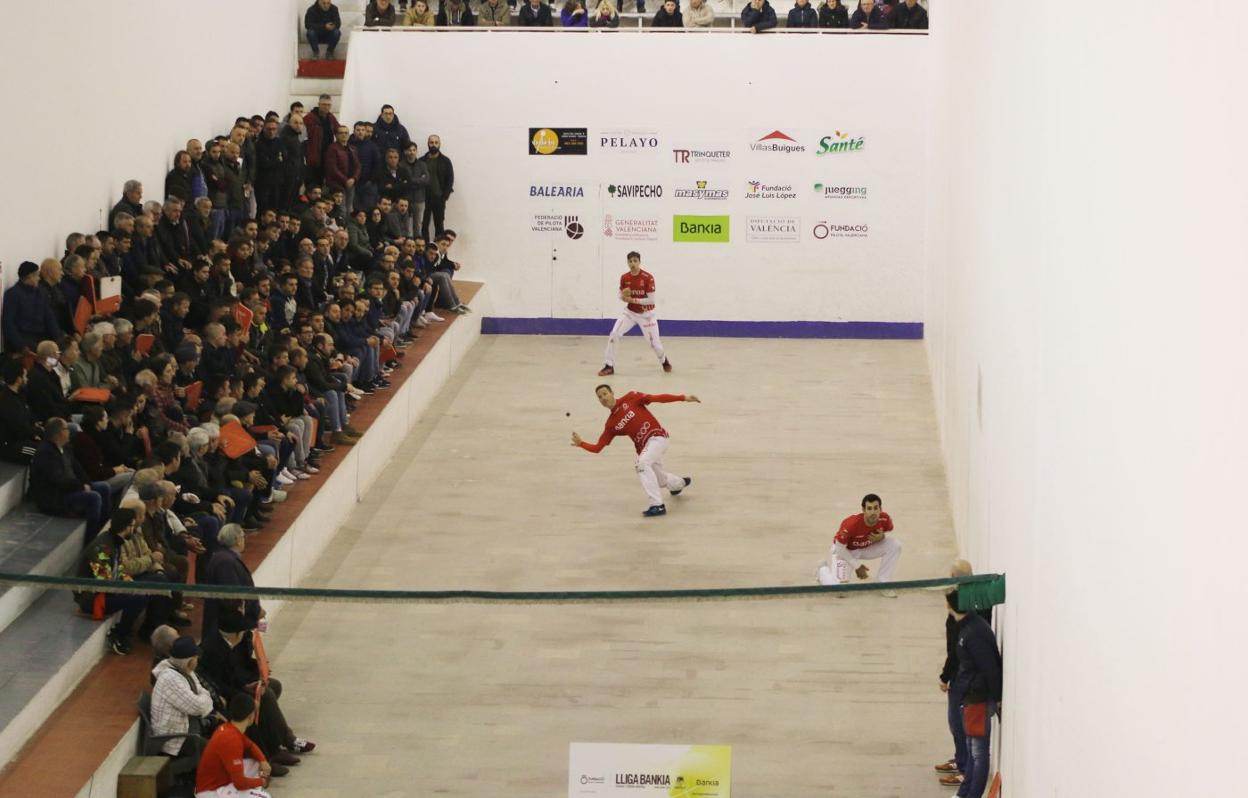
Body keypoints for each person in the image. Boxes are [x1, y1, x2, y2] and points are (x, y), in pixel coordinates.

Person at [571, 384, 699, 517]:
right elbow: (598, 447)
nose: (603, 398)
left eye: (605, 393)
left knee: (641, 464)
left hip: (657, 437)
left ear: (612, 393)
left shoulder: (630, 397)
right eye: (599, 397)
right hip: (646, 448)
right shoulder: (611, 424)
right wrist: (581, 443)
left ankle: (657, 506)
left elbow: (656, 398)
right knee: (660, 480)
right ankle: (679, 484)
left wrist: (683, 397)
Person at [937, 561, 994, 789]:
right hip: (969, 677)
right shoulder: (979, 603)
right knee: (961, 726)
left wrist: (944, 676)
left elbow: (955, 650)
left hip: (965, 680)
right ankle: (962, 762)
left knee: (959, 724)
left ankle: (964, 770)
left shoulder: (959, 611)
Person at [947, 589, 1002, 798]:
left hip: (976, 698)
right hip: (971, 697)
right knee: (972, 751)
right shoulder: (969, 628)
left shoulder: (973, 632)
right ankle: (965, 793)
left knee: (977, 753)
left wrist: (995, 698)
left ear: (949, 606)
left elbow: (989, 667)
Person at [30, 417, 113, 545]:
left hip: (72, 488)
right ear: (59, 433)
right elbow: (58, 480)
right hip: (56, 496)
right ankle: (91, 539)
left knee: (104, 487)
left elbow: (78, 469)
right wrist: (81, 487)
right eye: (66, 429)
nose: (69, 432)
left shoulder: (66, 448)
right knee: (94, 497)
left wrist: (86, 483)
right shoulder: (45, 453)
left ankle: (105, 528)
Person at [597, 251, 671, 377]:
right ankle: (609, 366)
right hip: (630, 313)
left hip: (647, 315)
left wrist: (633, 299)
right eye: (630, 261)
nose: (633, 263)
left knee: (654, 344)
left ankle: (663, 360)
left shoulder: (648, 277)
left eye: (635, 261)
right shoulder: (625, 277)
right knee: (614, 334)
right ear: (627, 263)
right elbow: (621, 294)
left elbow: (651, 300)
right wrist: (622, 296)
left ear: (639, 262)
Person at [816, 493, 902, 596]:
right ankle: (822, 571)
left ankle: (883, 582)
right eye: (869, 508)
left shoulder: (884, 519)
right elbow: (839, 548)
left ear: (880, 509)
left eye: (876, 508)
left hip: (865, 548)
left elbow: (888, 530)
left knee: (895, 545)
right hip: (845, 551)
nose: (873, 512)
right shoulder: (850, 524)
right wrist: (857, 566)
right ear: (863, 510)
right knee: (839, 592)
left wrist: (882, 536)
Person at [193, 693, 273, 798]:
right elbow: (240, 783)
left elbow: (250, 745)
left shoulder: (228, 728)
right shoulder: (231, 741)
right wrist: (262, 782)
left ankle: (250, 793)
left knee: (257, 764)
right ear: (251, 716)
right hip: (212, 792)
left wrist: (263, 760)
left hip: (218, 782)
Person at [150, 635, 218, 757]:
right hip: (175, 739)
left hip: (187, 727)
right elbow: (199, 707)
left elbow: (203, 692)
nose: (198, 660)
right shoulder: (170, 679)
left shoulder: (185, 671)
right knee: (216, 753)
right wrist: (204, 699)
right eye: (196, 658)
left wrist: (203, 699)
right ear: (189, 661)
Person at [3, 261, 61, 353]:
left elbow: (49, 318)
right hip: (25, 340)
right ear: (29, 276)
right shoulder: (13, 295)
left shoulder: (41, 293)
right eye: (37, 275)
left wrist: (58, 339)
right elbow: (9, 324)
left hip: (42, 338)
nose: (39, 278)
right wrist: (21, 345)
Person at [0, 359, 39, 464]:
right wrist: (36, 432)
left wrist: (37, 429)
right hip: (9, 446)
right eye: (25, 376)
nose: (26, 379)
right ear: (18, 379)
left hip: (23, 439)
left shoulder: (19, 396)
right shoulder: (6, 401)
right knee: (43, 453)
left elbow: (29, 418)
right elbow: (19, 429)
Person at [419, 134, 454, 241]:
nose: (433, 145)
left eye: (436, 142)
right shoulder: (421, 161)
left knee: (439, 225)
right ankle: (425, 251)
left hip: (439, 198)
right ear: (428, 144)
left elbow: (450, 179)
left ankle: (439, 252)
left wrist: (445, 196)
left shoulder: (445, 161)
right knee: (424, 225)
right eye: (431, 142)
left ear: (439, 144)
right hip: (424, 199)